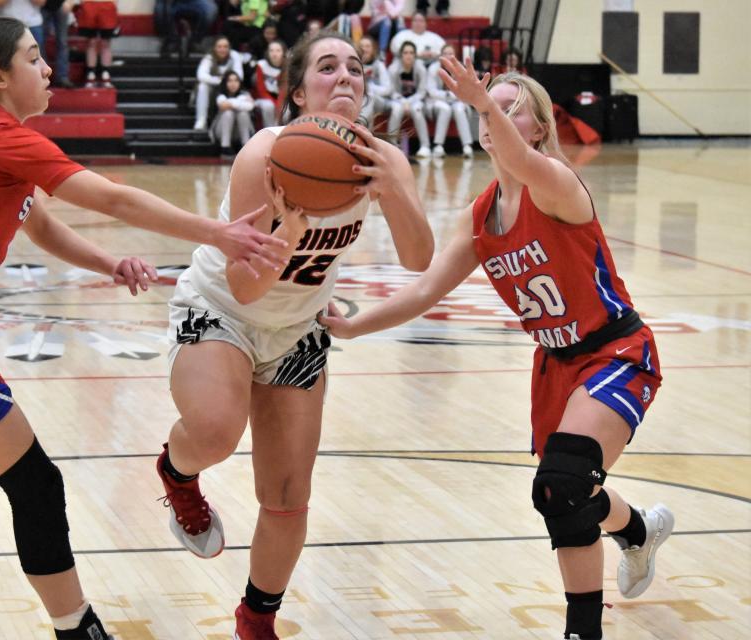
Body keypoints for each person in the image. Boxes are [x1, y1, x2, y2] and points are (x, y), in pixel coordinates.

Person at [0, 17, 286, 640]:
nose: (49, 68)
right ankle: (75, 629)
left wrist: (110, 263)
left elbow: (42, 224)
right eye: (35, 58)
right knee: (35, 480)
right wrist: (218, 232)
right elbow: (110, 198)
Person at [320, 60, 674, 640]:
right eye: (490, 107)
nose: (495, 114)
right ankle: (636, 531)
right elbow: (427, 288)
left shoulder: (556, 182)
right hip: (556, 365)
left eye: (511, 108)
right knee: (569, 491)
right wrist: (355, 328)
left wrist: (484, 103)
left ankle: (582, 631)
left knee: (560, 482)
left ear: (537, 127)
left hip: (615, 351)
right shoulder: (481, 216)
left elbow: (521, 163)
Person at [155, 30, 434, 640]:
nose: (345, 78)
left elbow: (419, 257)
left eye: (355, 69)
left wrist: (393, 190)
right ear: (299, 91)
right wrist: (288, 229)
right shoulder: (265, 153)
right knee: (215, 432)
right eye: (328, 67)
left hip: (297, 327)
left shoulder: (385, 157)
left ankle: (256, 622)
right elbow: (247, 286)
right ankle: (177, 475)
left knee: (286, 494)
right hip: (223, 306)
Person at [424, 43, 473, 158]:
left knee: (459, 109)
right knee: (445, 108)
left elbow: (465, 90)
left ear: (455, 56)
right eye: (445, 53)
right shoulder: (433, 68)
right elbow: (431, 91)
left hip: (457, 101)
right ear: (440, 55)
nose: (447, 56)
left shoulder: (461, 68)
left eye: (450, 54)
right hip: (436, 101)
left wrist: (453, 96)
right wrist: (449, 95)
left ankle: (467, 146)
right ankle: (438, 145)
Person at [386, 39, 430, 158]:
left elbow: (422, 92)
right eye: (406, 52)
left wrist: (409, 102)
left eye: (411, 53)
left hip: (416, 101)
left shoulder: (421, 68)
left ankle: (425, 146)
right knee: (396, 109)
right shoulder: (393, 69)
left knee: (417, 109)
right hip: (397, 100)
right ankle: (392, 145)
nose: (408, 55)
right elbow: (392, 91)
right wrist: (403, 101)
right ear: (401, 55)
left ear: (415, 55)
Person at [194, 35, 243, 130]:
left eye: (225, 47)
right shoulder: (209, 58)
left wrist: (227, 82)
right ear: (214, 48)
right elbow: (201, 75)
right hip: (213, 89)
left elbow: (239, 75)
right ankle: (201, 119)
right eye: (219, 47)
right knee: (202, 86)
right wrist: (219, 80)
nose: (222, 49)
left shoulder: (234, 56)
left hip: (229, 89)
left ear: (229, 48)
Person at [75, 0, 120, 88]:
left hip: (107, 4)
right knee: (91, 42)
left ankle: (106, 73)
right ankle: (91, 73)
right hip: (89, 4)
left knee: (106, 42)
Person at [211, 69, 254, 158]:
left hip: (240, 132)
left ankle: (246, 146)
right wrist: (241, 102)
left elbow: (250, 106)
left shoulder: (245, 93)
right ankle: (225, 147)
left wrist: (231, 103)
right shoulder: (220, 93)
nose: (233, 84)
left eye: (236, 80)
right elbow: (223, 105)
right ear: (225, 83)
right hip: (221, 132)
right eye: (230, 81)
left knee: (243, 113)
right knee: (228, 113)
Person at [357, 34, 390, 126]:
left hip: (378, 100)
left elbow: (387, 89)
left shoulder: (379, 65)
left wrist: (370, 88)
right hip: (358, 99)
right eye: (362, 46)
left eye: (367, 46)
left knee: (370, 97)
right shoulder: (353, 63)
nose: (364, 49)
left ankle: (360, 123)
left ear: (373, 49)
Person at [251, 38, 284, 127]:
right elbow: (261, 90)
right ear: (267, 53)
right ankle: (268, 131)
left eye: (278, 50)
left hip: (281, 98)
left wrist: (279, 103)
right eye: (271, 50)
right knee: (268, 106)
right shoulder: (261, 65)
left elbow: (285, 90)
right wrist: (275, 103)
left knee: (286, 109)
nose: (274, 53)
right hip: (262, 98)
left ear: (283, 52)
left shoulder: (287, 66)